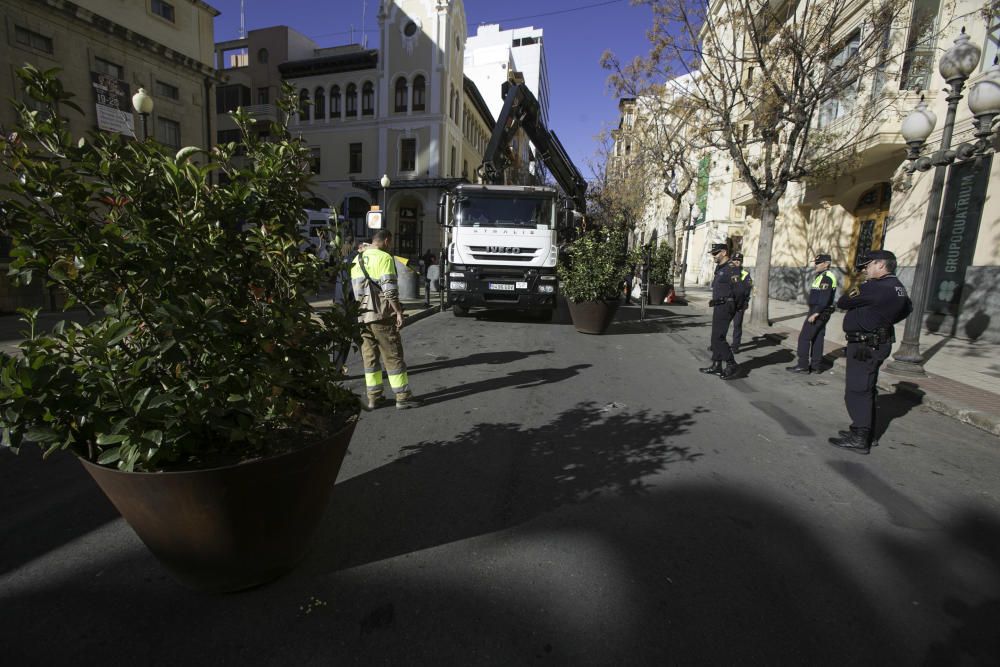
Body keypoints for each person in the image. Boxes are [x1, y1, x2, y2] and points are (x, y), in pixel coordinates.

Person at [828, 250, 911, 454]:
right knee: (867, 388)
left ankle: (860, 438)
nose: (865, 270)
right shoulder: (898, 287)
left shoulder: (875, 287)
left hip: (865, 345)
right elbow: (907, 309)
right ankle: (864, 432)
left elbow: (843, 302)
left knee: (857, 390)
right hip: (876, 342)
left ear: (880, 265)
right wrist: (881, 321)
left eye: (867, 266)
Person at [350, 230, 420, 410]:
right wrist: (398, 312)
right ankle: (403, 396)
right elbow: (389, 290)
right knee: (393, 355)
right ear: (387, 241)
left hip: (361, 316)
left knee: (370, 358)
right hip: (381, 316)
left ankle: (374, 397)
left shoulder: (356, 260)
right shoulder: (384, 258)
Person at [786, 253, 838, 374]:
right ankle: (816, 366)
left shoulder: (826, 277)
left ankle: (802, 365)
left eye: (818, 263)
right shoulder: (822, 276)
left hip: (818, 312)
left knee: (804, 338)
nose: (815, 265)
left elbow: (824, 298)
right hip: (820, 311)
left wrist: (816, 313)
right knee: (818, 338)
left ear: (826, 264)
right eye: (815, 263)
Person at [699, 242, 741, 380]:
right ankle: (717, 365)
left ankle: (731, 363)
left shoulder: (732, 268)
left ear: (724, 252)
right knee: (714, 337)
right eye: (713, 253)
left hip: (726, 305)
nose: (713, 256)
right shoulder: (720, 267)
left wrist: (734, 306)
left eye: (716, 253)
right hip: (718, 305)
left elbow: (739, 291)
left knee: (719, 337)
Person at [730, 252, 753, 353]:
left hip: (739, 304)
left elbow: (747, 289)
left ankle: (735, 346)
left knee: (737, 325)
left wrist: (746, 301)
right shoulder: (728, 272)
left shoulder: (745, 274)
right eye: (735, 260)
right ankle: (717, 344)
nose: (736, 262)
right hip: (728, 303)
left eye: (738, 260)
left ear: (741, 262)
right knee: (723, 324)